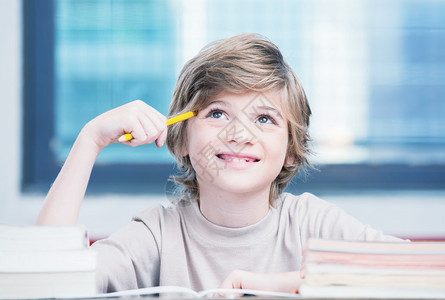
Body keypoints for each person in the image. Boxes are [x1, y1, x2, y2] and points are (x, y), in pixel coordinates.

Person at [36, 33, 402, 294]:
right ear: (180, 138)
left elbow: (426, 273)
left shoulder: (313, 224)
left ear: (291, 150)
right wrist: (91, 140)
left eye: (264, 119)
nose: (239, 134)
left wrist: (276, 287)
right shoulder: (157, 235)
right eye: (216, 113)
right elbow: (41, 279)